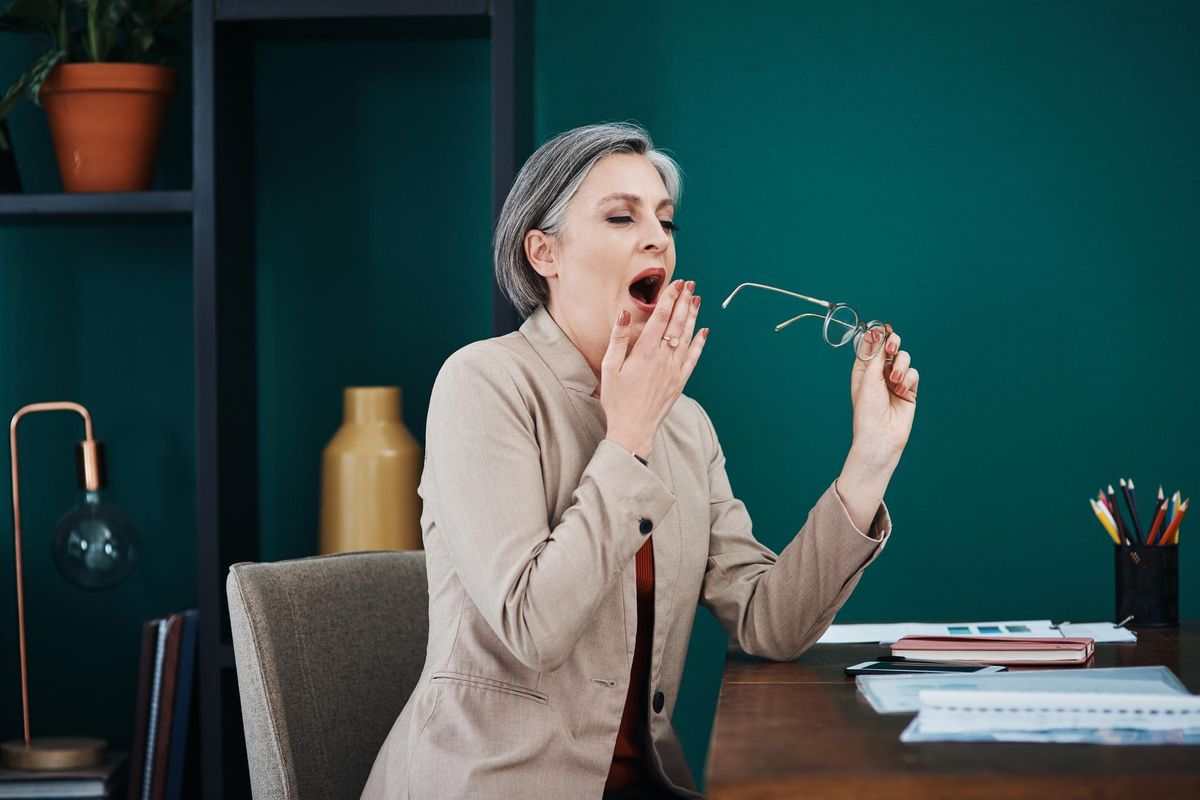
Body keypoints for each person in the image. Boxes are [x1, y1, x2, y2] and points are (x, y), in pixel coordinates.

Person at [361, 122, 918, 800]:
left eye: (665, 220)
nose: (657, 237)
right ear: (545, 253)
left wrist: (869, 459)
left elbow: (770, 624)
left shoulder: (686, 425)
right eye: (621, 216)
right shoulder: (481, 384)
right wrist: (627, 436)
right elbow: (533, 627)